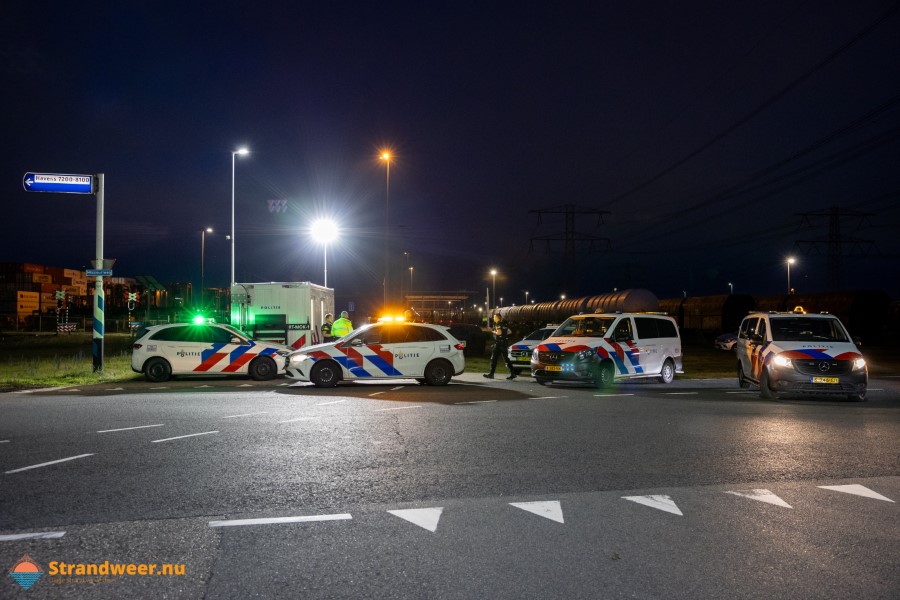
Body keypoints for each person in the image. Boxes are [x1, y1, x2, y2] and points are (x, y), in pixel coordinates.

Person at [484, 313, 517, 380]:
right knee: (506, 359)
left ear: (497, 318)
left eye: (494, 317)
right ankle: (513, 373)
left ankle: (491, 374)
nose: (493, 318)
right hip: (504, 343)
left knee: (493, 359)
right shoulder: (504, 324)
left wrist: (493, 332)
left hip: (498, 344)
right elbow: (509, 331)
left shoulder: (498, 324)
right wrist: (504, 336)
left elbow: (499, 333)